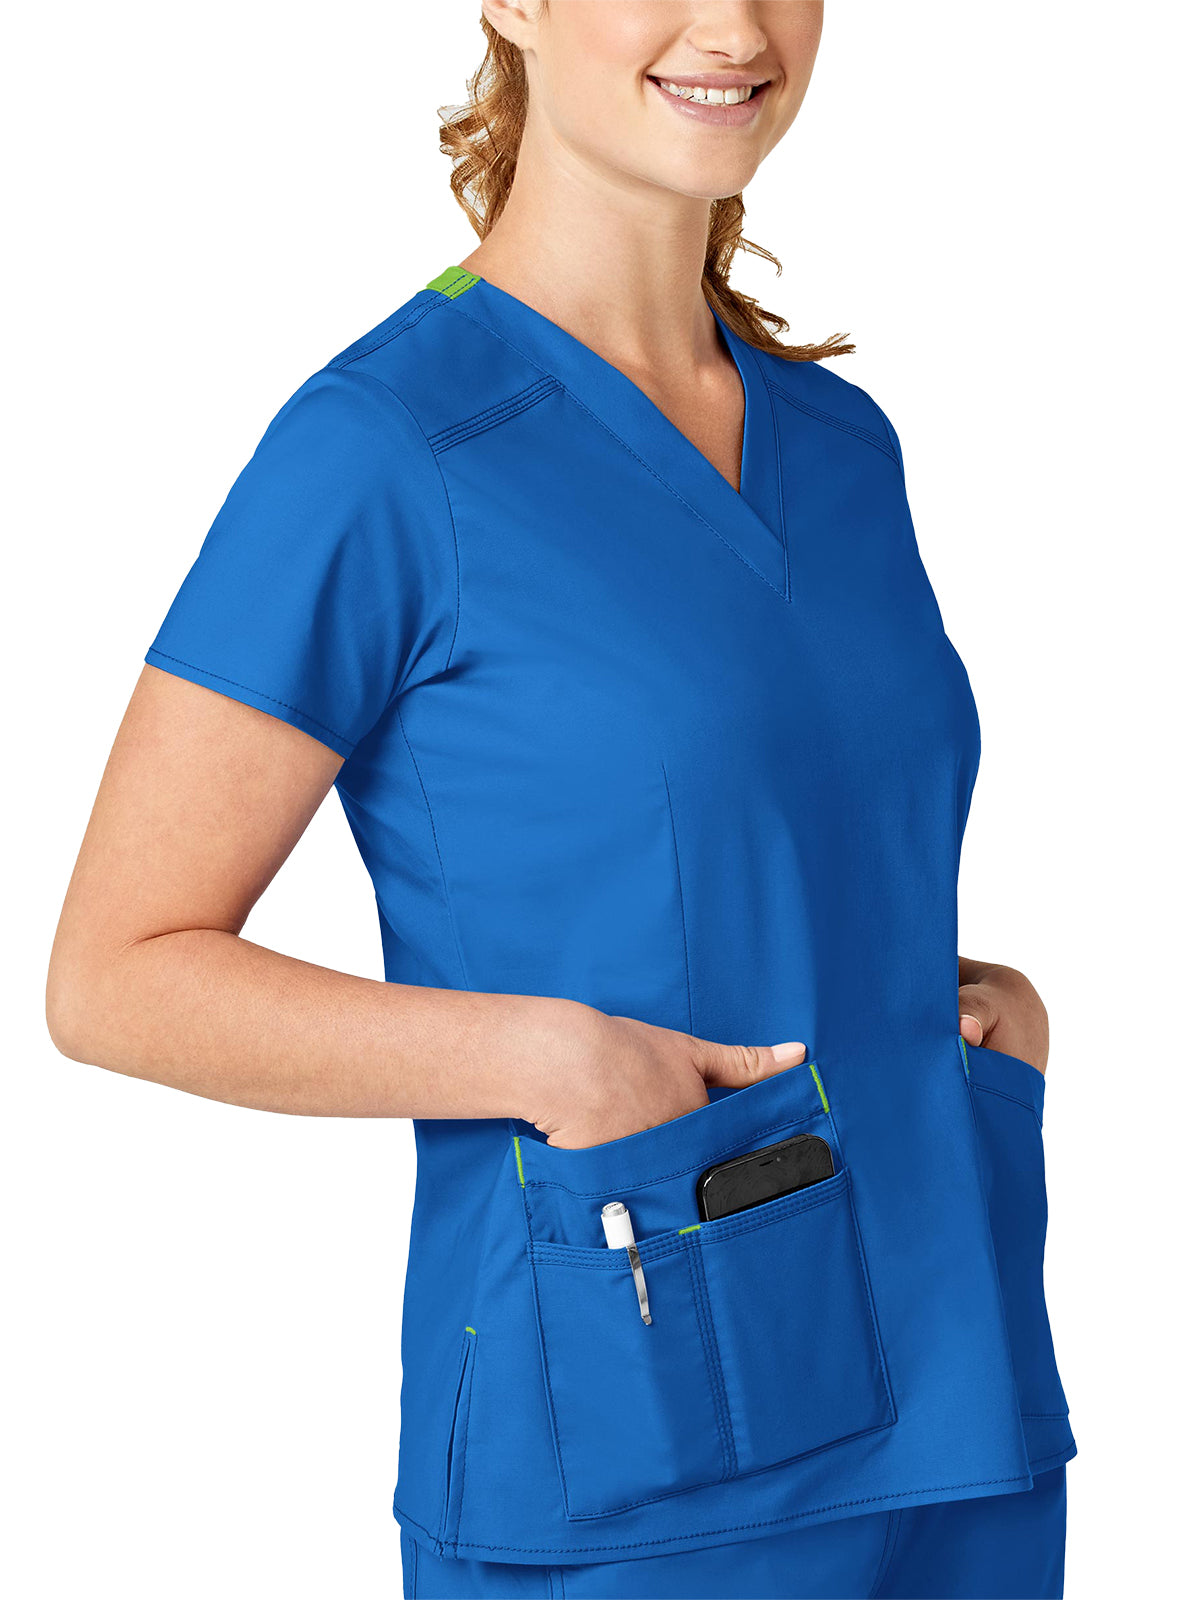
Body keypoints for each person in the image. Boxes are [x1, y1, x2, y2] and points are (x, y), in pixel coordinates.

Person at [45, 3, 1075, 1596]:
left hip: (961, 1389)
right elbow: (115, 974)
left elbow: (781, 851)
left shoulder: (841, 444)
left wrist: (971, 1007)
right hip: (641, 1439)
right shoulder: (385, 449)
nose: (735, 25)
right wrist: (547, 1060)